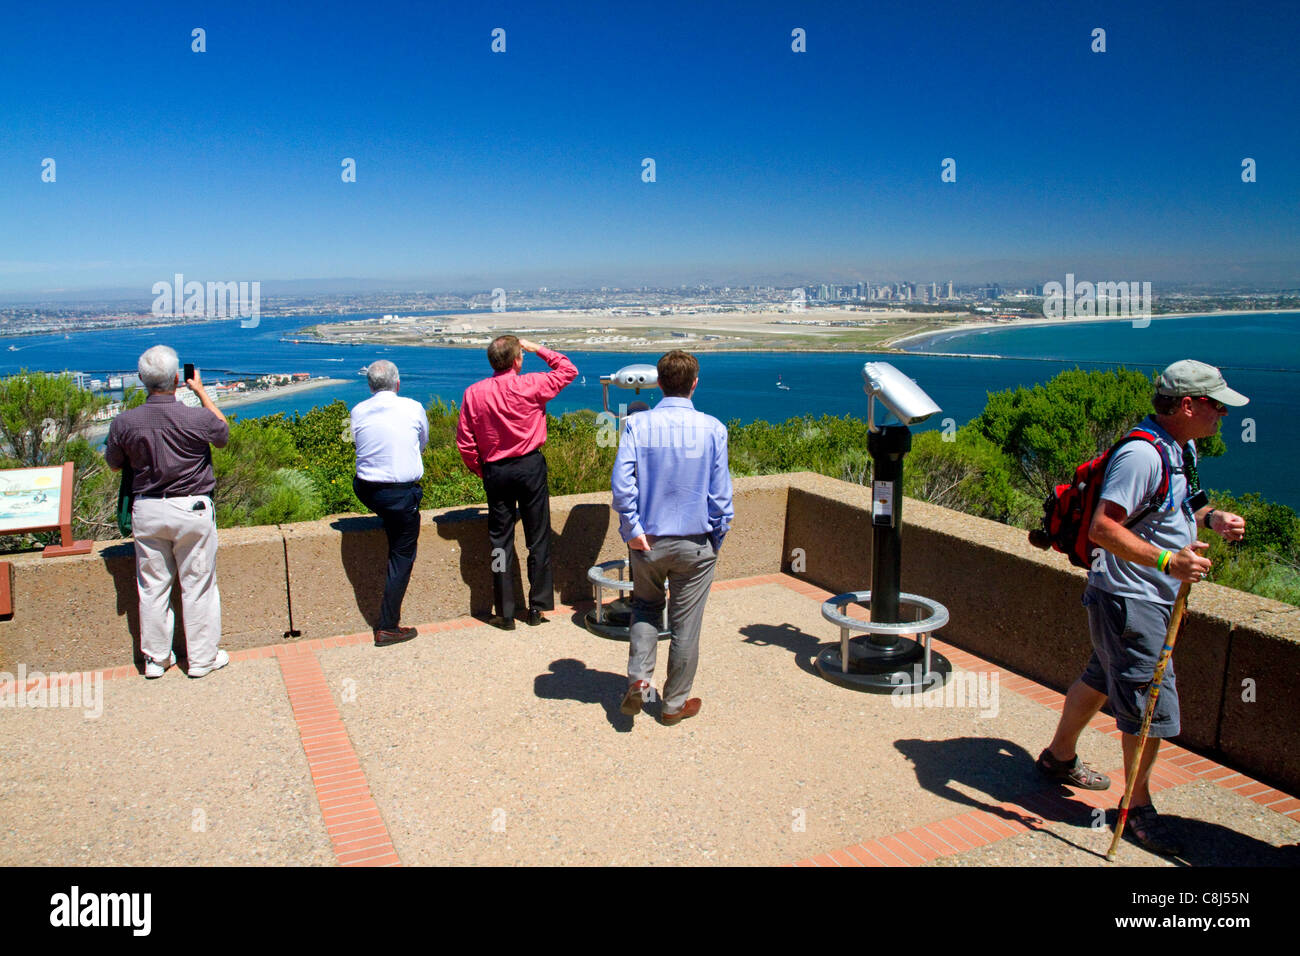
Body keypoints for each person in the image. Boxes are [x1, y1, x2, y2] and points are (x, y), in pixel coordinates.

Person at [1037, 360, 1248, 854]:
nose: (1222, 414)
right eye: (1216, 405)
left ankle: (1057, 757)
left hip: (1144, 594)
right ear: (1188, 405)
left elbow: (1181, 504)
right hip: (1130, 598)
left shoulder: (1182, 447)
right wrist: (1168, 560)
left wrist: (1212, 518)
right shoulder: (1141, 455)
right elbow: (1103, 529)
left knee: (1101, 678)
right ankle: (1136, 807)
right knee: (1150, 707)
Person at [611, 350, 733, 725]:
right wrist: (717, 536)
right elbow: (720, 495)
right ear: (694, 384)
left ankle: (639, 680)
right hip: (696, 543)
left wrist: (632, 530)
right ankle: (673, 704)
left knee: (646, 608)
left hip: (648, 541)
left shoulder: (637, 425)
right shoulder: (713, 429)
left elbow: (621, 486)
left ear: (659, 383)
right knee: (686, 624)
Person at [105, 346, 230, 679]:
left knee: (153, 586)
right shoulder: (196, 417)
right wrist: (201, 392)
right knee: (199, 584)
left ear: (142, 380)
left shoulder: (124, 422)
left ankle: (157, 659)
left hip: (147, 509)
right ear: (177, 379)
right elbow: (222, 434)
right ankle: (202, 659)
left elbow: (114, 465)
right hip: (191, 508)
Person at [455, 336, 577, 629]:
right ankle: (537, 608)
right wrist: (539, 348)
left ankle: (505, 610)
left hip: (496, 470)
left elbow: (465, 442)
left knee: (500, 543)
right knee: (538, 538)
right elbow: (568, 370)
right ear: (517, 361)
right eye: (522, 354)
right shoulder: (532, 384)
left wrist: (482, 471)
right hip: (530, 467)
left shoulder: (474, 393)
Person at [351, 360, 429, 646]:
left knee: (390, 512)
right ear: (398, 384)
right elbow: (422, 442)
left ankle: (388, 518)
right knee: (401, 556)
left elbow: (360, 445)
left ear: (370, 386)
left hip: (368, 490)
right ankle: (387, 626)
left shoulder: (358, 410)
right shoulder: (413, 407)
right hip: (400, 495)